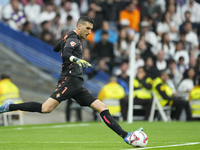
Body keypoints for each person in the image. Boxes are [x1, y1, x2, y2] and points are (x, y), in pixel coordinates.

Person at [0, 16, 142, 146]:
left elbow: (56, 48)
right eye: (87, 28)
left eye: (91, 30)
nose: (89, 32)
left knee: (102, 108)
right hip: (69, 80)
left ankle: (126, 136)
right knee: (45, 108)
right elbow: (66, 54)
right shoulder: (73, 39)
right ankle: (10, 106)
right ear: (79, 26)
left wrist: (64, 39)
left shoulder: (70, 37)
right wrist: (77, 59)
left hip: (77, 84)